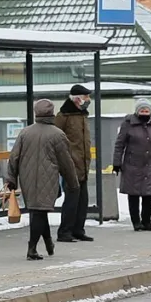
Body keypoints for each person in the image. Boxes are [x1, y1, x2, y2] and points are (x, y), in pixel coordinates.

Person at [6, 99, 80, 261]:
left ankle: (48, 243)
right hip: (48, 178)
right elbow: (66, 162)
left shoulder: (25, 132)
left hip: (27, 178)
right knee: (39, 211)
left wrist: (11, 178)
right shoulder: (58, 134)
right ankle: (32, 249)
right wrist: (73, 183)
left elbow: (14, 157)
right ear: (51, 113)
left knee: (38, 210)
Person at [113, 98, 151, 232]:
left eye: (147, 110)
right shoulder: (128, 124)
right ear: (137, 111)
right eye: (142, 110)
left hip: (150, 164)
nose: (144, 112)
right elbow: (119, 144)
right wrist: (117, 162)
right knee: (134, 194)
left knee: (149, 194)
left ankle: (147, 221)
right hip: (132, 164)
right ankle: (136, 222)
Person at [54, 84, 94, 243]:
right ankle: (64, 231)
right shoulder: (63, 116)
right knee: (71, 200)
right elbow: (56, 139)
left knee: (82, 200)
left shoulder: (82, 115)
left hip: (82, 164)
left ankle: (78, 230)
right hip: (70, 165)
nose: (88, 100)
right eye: (86, 97)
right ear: (77, 99)